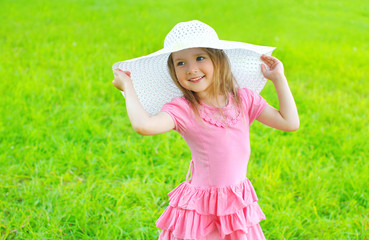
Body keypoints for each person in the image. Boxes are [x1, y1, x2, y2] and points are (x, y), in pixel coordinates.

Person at [112, 20, 299, 240]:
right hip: (202, 209)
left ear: (218, 60)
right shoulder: (184, 108)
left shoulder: (243, 99)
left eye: (200, 58)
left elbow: (289, 122)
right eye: (180, 63)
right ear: (173, 71)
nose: (191, 69)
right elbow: (144, 126)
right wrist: (127, 87)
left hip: (236, 203)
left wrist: (278, 78)